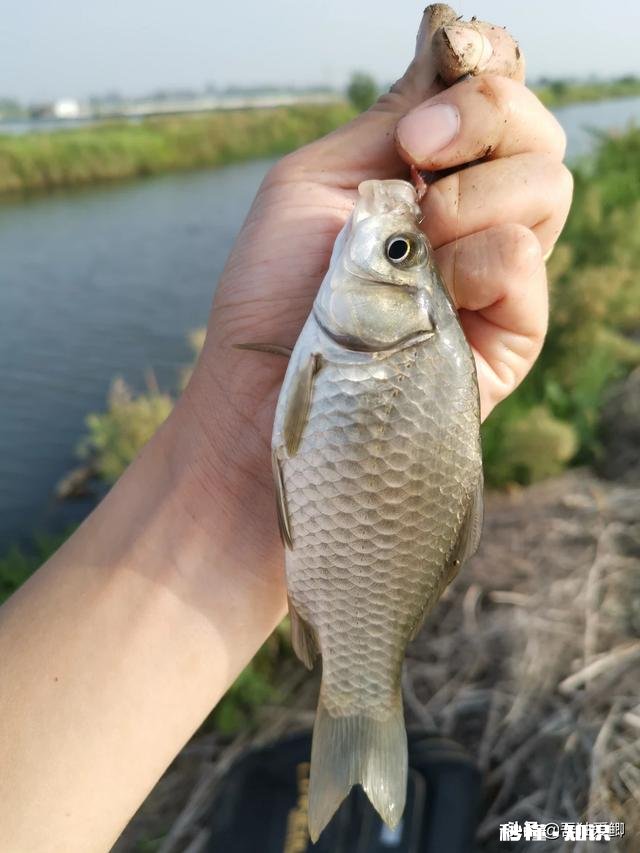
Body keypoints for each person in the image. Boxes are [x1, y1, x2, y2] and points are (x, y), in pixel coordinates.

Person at [0, 11, 572, 852]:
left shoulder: (387, 338)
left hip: (349, 520)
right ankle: (361, 697)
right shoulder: (352, 323)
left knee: (360, 655)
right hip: (334, 502)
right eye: (404, 253)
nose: (384, 236)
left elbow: (301, 431)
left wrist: (224, 486)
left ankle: (360, 696)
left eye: (399, 255)